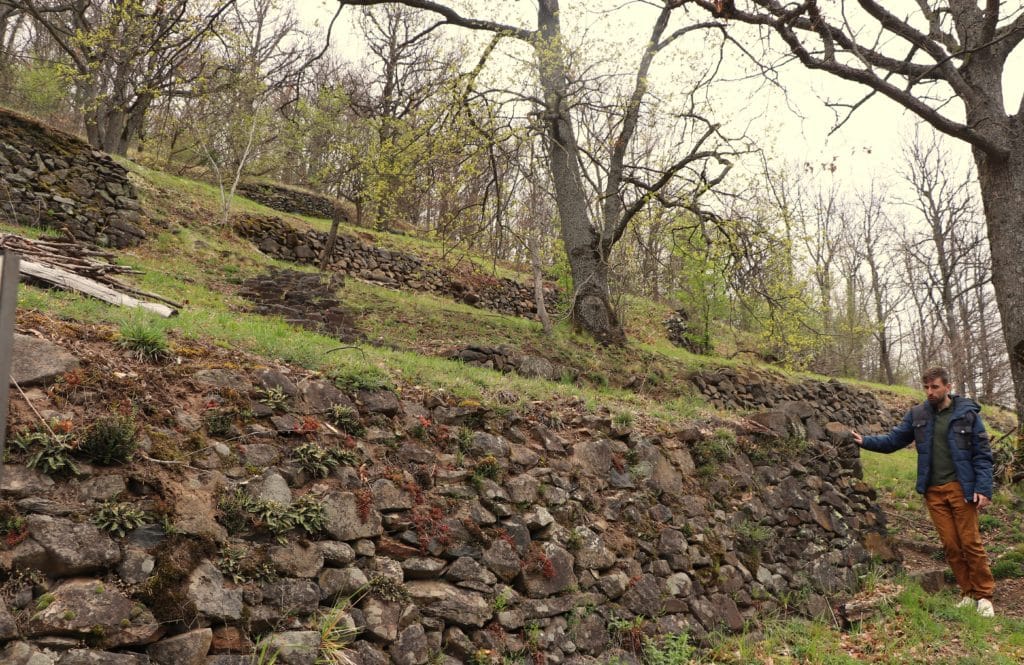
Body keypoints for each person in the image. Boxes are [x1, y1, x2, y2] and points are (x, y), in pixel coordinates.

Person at [851, 366, 996, 617]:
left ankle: (983, 596)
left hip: (962, 488)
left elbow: (982, 455)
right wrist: (865, 441)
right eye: (926, 387)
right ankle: (967, 593)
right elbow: (893, 440)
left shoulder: (967, 413)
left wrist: (983, 489)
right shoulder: (918, 414)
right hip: (933, 491)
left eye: (935, 387)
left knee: (970, 542)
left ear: (947, 387)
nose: (930, 392)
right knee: (950, 545)